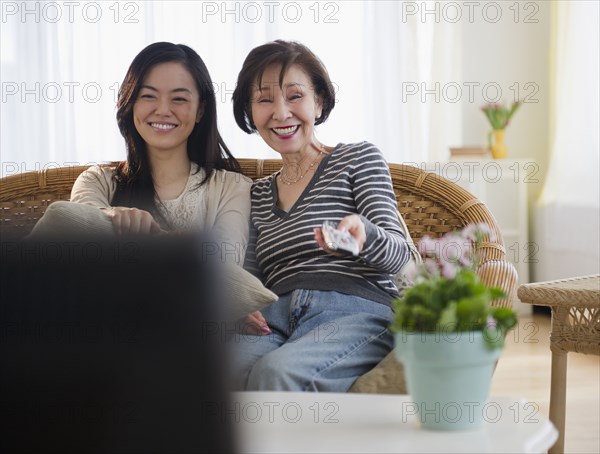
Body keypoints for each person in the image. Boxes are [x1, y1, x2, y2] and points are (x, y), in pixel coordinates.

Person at [230, 40, 411, 392]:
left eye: (294, 96)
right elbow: (252, 279)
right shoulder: (257, 194)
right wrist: (239, 305)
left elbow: (400, 255)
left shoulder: (358, 159)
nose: (281, 113)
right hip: (276, 316)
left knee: (276, 375)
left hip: (353, 310)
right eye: (265, 99)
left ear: (319, 101)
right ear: (251, 112)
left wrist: (365, 235)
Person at [29, 42, 252, 263]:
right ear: (131, 103)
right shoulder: (97, 181)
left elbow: (225, 269)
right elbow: (75, 226)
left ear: (200, 110)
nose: (163, 110)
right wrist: (112, 216)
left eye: (179, 99)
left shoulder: (231, 188)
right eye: (148, 96)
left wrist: (155, 240)